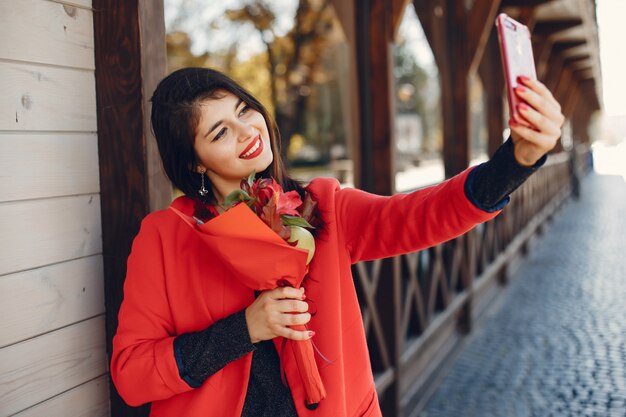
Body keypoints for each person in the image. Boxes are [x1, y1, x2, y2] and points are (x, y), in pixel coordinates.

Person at [110, 67, 564, 417]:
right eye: (220, 131)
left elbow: (422, 215)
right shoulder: (165, 238)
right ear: (193, 163)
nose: (248, 132)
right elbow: (131, 375)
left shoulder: (322, 205)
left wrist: (516, 160)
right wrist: (244, 329)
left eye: (244, 110)